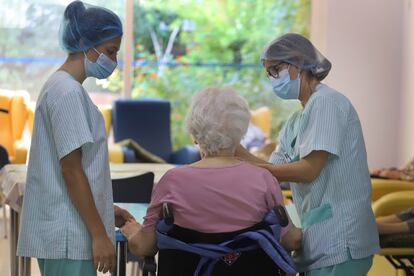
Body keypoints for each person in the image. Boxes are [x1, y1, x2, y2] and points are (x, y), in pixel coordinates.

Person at [236, 33, 380, 276]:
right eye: (268, 73)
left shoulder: (327, 103)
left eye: (275, 70)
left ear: (297, 64)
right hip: (318, 239)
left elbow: (308, 170)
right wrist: (236, 155)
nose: (272, 79)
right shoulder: (296, 120)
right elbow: (274, 173)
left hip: (341, 239)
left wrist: (247, 161)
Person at [120, 87, 302, 268]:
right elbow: (290, 241)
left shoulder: (172, 181)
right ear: (240, 134)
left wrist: (132, 232)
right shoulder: (263, 179)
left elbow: (145, 246)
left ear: (195, 135)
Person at [17, 2, 132, 275]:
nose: (113, 62)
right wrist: (99, 234)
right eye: (110, 51)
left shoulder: (63, 88)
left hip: (69, 228)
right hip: (70, 234)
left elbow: (78, 170)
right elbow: (71, 170)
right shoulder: (67, 92)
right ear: (86, 44)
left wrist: (103, 210)